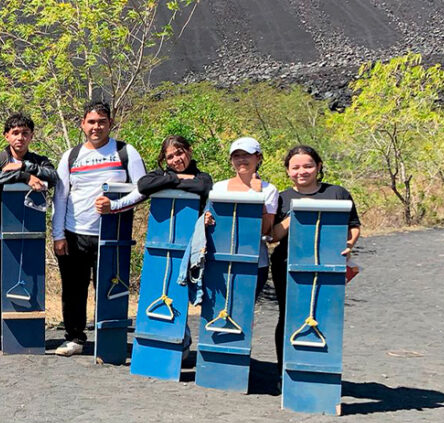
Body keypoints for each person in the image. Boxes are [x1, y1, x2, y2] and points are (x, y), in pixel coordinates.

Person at [96, 135, 212, 359]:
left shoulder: (203, 177)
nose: (176, 159)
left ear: (190, 150)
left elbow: (201, 186)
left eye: (180, 153)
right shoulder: (160, 174)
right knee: (162, 288)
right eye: (170, 157)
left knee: (182, 291)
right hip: (161, 243)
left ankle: (182, 340)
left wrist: (170, 180)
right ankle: (170, 343)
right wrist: (177, 179)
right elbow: (144, 185)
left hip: (194, 247)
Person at [52, 101, 146, 357]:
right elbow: (60, 197)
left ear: (110, 124)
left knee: (110, 288)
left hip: (112, 235)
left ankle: (110, 340)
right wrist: (58, 234)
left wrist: (115, 206)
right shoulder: (71, 156)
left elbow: (142, 188)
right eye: (91, 122)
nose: (96, 127)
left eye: (102, 122)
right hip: (74, 233)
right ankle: (74, 338)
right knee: (73, 290)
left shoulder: (125, 152)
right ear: (82, 124)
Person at [267, 145, 361, 366]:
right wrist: (297, 213)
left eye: (308, 166)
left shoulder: (337, 193)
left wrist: (349, 244)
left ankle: (321, 372)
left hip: (328, 265)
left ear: (318, 166)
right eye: (295, 167)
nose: (302, 171)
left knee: (325, 315)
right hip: (287, 265)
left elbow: (353, 226)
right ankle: (286, 371)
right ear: (288, 171)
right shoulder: (281, 198)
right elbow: (273, 236)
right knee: (289, 316)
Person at [0, 114, 57, 351]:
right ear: (6, 136)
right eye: (15, 133)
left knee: (30, 283)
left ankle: (28, 333)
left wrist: (25, 166)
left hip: (30, 237)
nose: (20, 137)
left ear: (31, 136)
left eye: (25, 133)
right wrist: (24, 176)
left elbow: (53, 177)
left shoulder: (39, 160)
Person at [208, 137, 278, 295]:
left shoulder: (269, 190)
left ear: (258, 157)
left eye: (246, 155)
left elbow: (266, 230)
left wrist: (257, 196)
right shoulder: (219, 187)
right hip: (219, 259)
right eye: (236, 156)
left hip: (255, 262)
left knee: (245, 312)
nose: (241, 160)